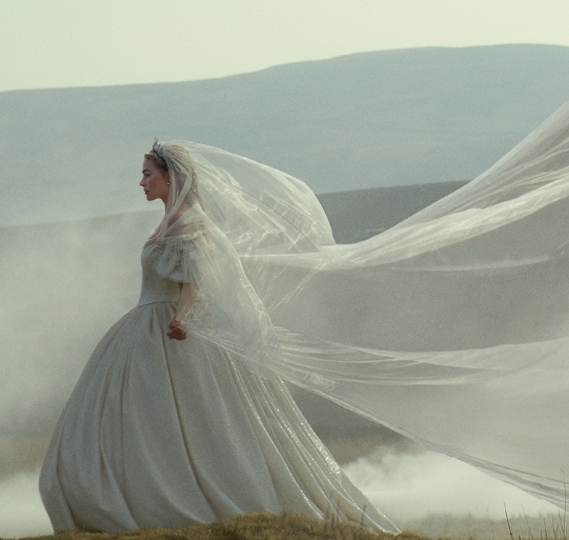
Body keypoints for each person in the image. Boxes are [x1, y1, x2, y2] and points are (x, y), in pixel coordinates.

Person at [38, 141, 398, 533]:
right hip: (141, 330)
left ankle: (170, 503)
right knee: (114, 423)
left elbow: (197, 279)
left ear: (170, 176)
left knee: (191, 425)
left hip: (170, 331)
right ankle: (110, 497)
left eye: (147, 173)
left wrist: (182, 315)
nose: (140, 182)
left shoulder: (193, 224)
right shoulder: (168, 222)